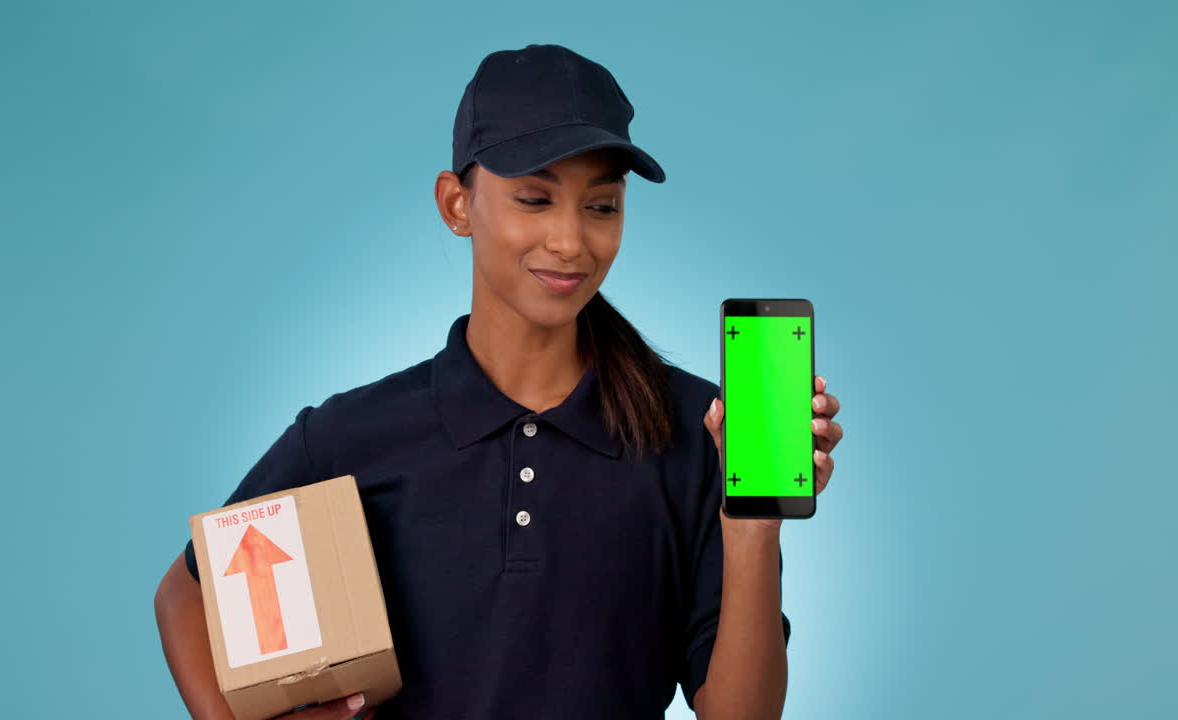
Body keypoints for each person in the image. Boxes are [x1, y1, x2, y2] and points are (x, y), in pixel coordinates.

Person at [154, 43, 843, 720]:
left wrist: (751, 526)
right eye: (535, 199)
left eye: (601, 206)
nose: (571, 241)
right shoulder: (354, 435)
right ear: (457, 204)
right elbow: (185, 596)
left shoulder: (697, 430)